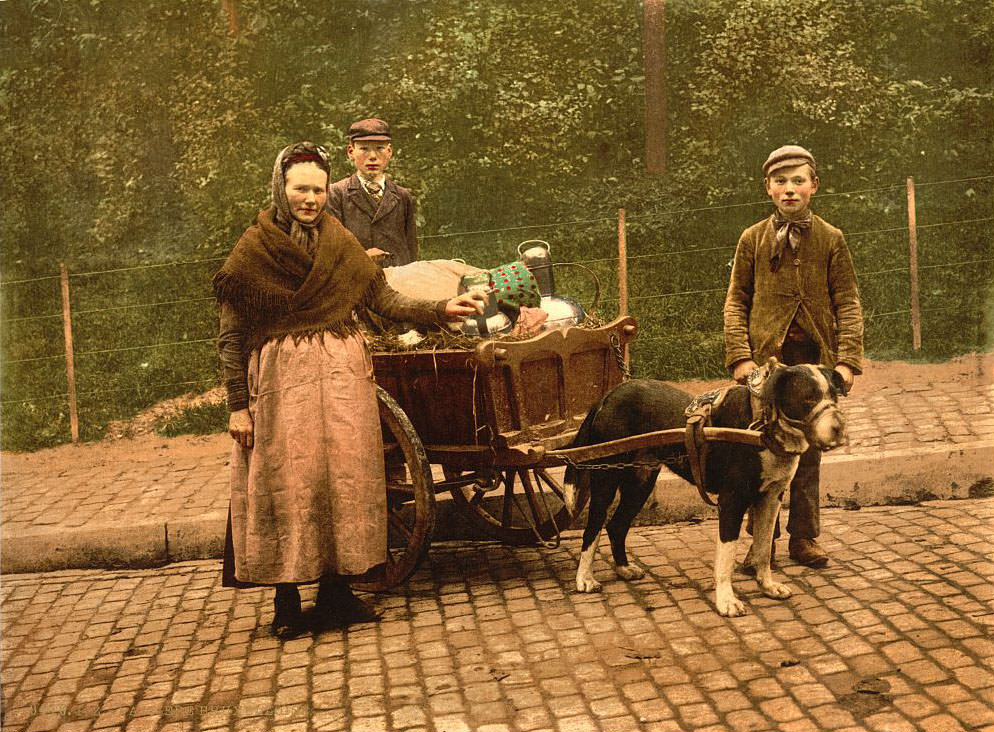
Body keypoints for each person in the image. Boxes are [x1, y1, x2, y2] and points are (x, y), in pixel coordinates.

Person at [214, 142, 483, 640]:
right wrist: (237, 406)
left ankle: (337, 592)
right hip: (280, 382)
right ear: (281, 188)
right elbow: (231, 337)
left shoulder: (340, 241)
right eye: (300, 189)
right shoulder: (254, 249)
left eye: (318, 189)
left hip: (341, 378)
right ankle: (287, 601)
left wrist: (441, 308)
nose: (311, 199)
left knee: (345, 478)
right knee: (289, 484)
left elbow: (382, 296)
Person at [723, 144, 863, 569]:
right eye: (780, 182)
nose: (789, 190)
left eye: (798, 181)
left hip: (815, 365)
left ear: (813, 186)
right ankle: (760, 543)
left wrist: (846, 361)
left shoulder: (831, 238)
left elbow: (848, 303)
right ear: (768, 188)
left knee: (809, 451)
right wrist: (741, 358)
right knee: (761, 449)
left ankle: (804, 538)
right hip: (768, 366)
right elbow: (736, 302)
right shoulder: (752, 238)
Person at [327, 118, 418, 267]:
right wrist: (362, 258)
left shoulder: (402, 196)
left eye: (379, 148)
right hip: (357, 280)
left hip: (400, 280)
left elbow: (412, 251)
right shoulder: (336, 194)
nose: (372, 156)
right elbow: (333, 249)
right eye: (364, 149)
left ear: (389, 152)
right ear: (351, 152)